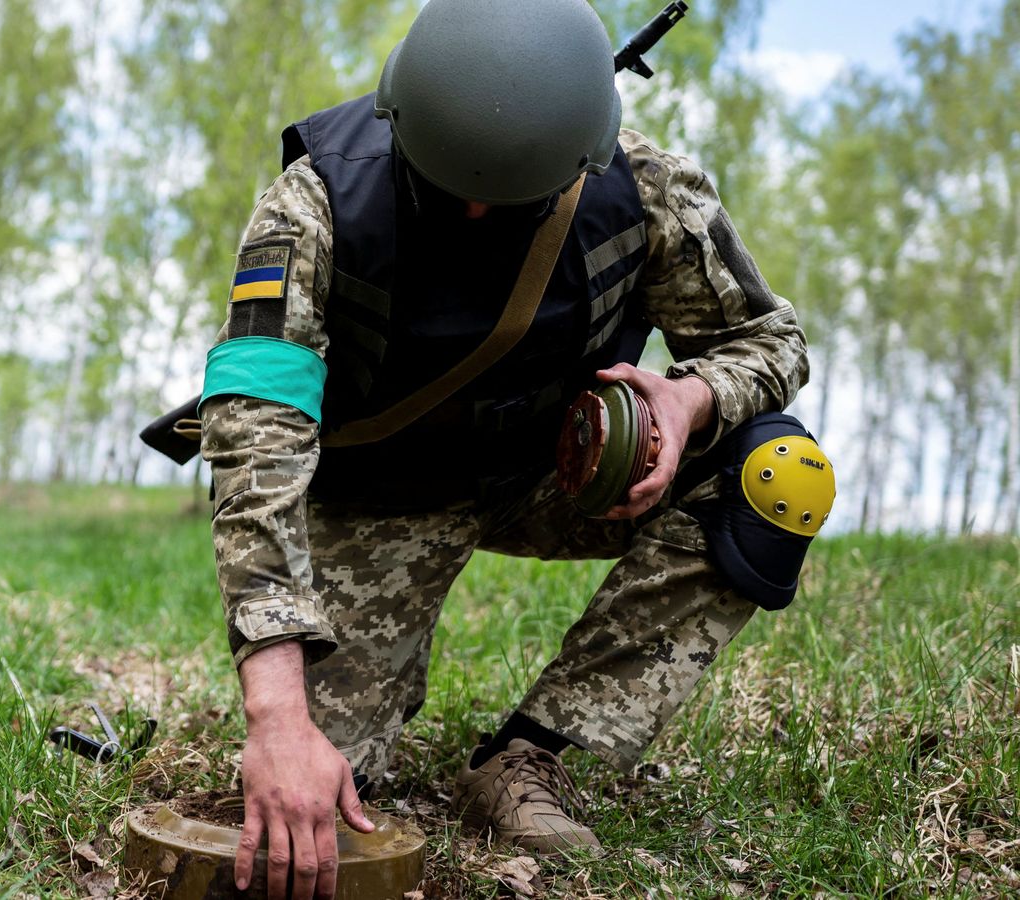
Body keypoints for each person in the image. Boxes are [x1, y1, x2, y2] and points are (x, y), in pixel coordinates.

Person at [193, 1, 835, 896]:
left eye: (510, 194)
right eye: (447, 182)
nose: (477, 206)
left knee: (776, 477)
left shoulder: (648, 188)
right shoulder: (315, 201)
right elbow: (255, 437)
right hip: (382, 493)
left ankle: (529, 755)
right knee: (322, 789)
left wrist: (690, 398)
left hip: (553, 473)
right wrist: (275, 713)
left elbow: (772, 341)